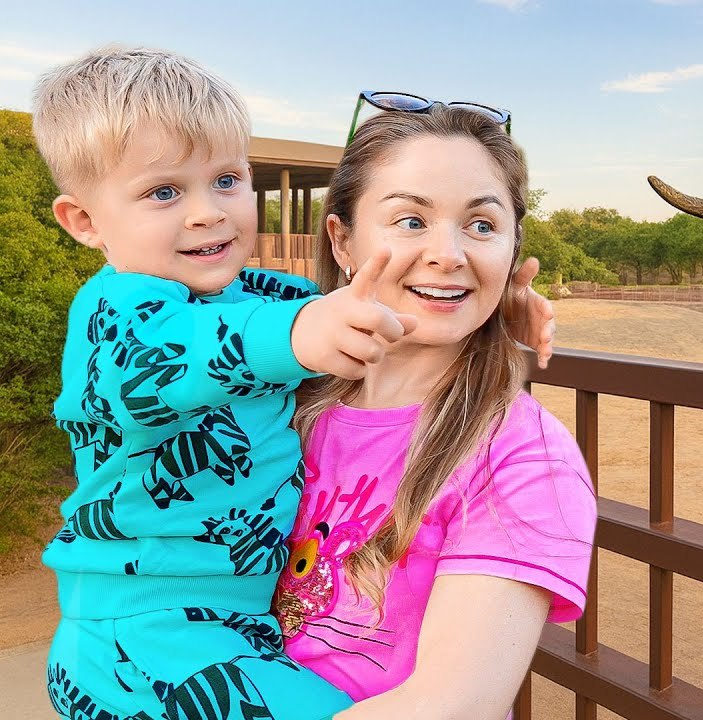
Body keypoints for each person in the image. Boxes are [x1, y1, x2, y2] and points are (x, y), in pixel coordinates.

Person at [33, 46, 556, 720]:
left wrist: (492, 301)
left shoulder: (255, 292)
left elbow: (366, 301)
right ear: (85, 221)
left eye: (226, 180)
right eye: (165, 192)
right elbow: (189, 353)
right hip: (150, 631)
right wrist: (299, 336)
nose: (206, 212)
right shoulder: (115, 315)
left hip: (229, 628)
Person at [272, 107, 596, 720]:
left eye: (481, 225)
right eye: (411, 220)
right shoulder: (282, 404)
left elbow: (455, 705)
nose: (448, 254)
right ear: (342, 241)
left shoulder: (524, 459)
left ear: (511, 251)